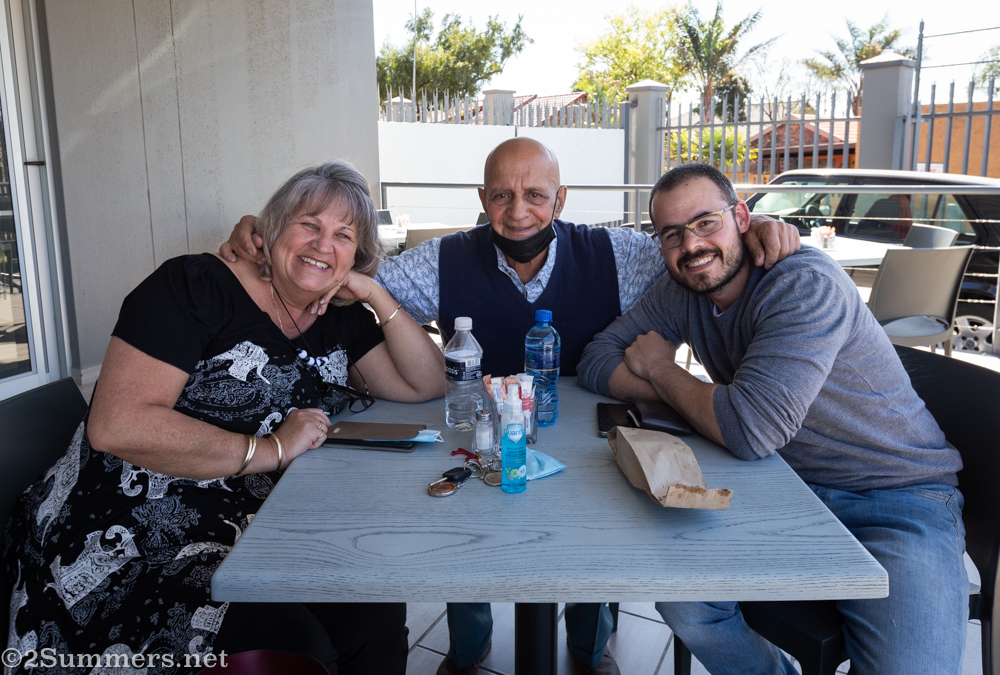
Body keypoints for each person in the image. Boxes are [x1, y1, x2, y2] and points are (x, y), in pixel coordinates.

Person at [222, 138, 799, 675]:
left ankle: (589, 649)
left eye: (535, 195)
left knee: (594, 538)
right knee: (463, 539)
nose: (517, 210)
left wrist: (758, 230)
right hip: (478, 427)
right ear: (482, 199)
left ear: (562, 198)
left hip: (584, 432)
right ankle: (468, 650)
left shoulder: (620, 254)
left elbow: (693, 250)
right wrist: (266, 238)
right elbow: (346, 272)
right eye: (501, 194)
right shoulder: (440, 260)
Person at [3, 161, 444, 674]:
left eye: (343, 236)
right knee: (296, 648)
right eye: (309, 224)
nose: (323, 245)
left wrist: (373, 293)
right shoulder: (195, 286)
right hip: (132, 525)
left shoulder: (337, 316)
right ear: (272, 227)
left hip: (262, 521)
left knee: (376, 615)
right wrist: (272, 449)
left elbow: (424, 383)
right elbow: (116, 426)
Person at [578, 163, 968, 675]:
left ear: (742, 216)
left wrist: (659, 369)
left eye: (706, 222)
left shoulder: (803, 284)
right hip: (781, 485)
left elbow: (750, 429)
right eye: (671, 234)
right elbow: (595, 359)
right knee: (683, 600)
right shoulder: (682, 292)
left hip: (897, 495)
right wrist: (701, 401)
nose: (691, 245)